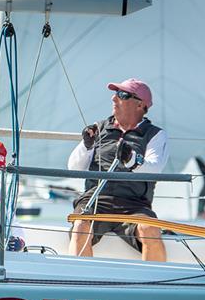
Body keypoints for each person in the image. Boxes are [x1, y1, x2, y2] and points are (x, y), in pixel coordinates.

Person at [68, 78, 169, 261]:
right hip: (96, 200)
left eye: (122, 95)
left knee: (150, 230)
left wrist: (131, 161)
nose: (114, 99)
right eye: (115, 94)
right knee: (81, 225)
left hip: (135, 204)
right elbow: (74, 167)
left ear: (140, 105)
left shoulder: (155, 134)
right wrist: (87, 145)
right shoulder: (98, 128)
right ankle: (80, 283)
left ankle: (154, 286)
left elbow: (155, 168)